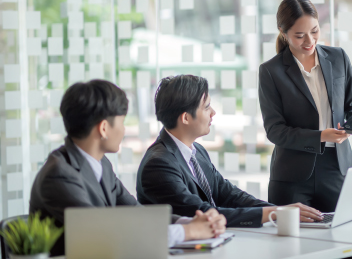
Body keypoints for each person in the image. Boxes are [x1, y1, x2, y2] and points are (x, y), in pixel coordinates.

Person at [29, 80, 226, 257]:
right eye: (122, 122)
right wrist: (188, 232)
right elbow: (105, 234)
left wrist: (188, 223)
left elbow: (136, 213)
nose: (124, 130)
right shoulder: (59, 174)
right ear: (104, 128)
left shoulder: (101, 164)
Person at [136, 75, 323, 227]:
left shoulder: (196, 151)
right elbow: (203, 213)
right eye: (207, 106)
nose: (213, 113)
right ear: (185, 118)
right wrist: (275, 213)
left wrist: (282, 212)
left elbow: (228, 194)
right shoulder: (159, 164)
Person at [258, 0, 352, 213]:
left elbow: (350, 103)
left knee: (344, 236)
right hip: (292, 173)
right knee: (291, 244)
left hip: (337, 168)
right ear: (283, 32)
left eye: (315, 31)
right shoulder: (271, 71)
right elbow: (275, 131)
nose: (309, 41)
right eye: (299, 35)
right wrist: (320, 136)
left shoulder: (338, 58)